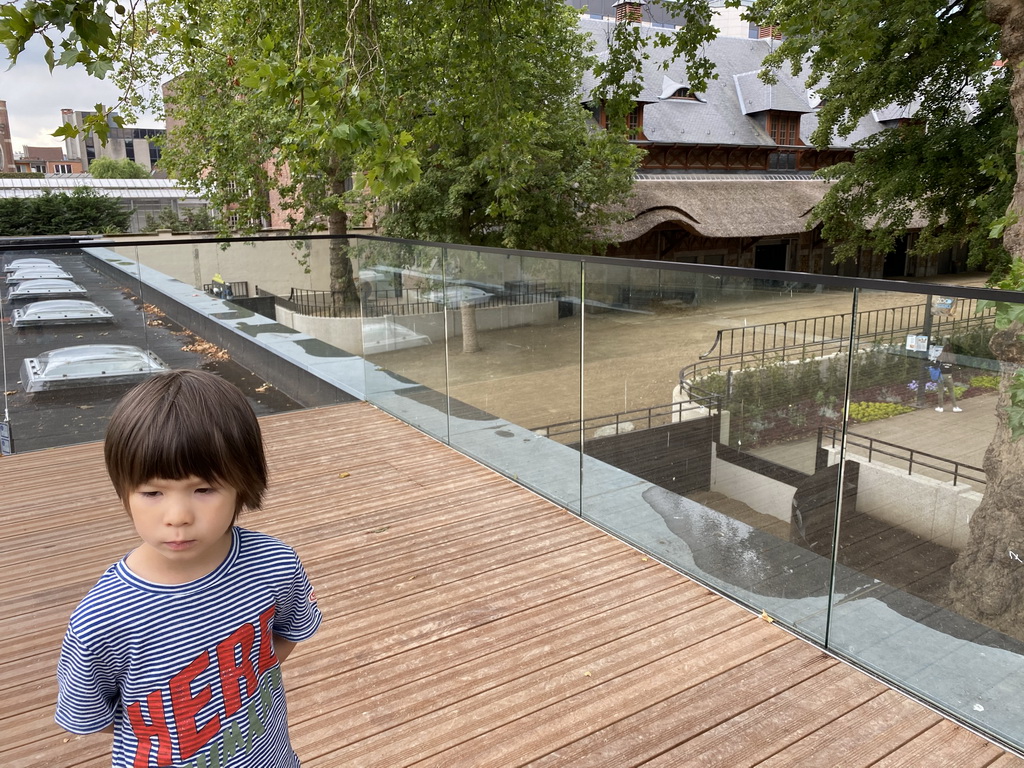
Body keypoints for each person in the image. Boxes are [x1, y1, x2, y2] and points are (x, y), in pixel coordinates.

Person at [55, 369, 322, 768]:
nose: (177, 516)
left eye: (204, 489)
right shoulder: (101, 619)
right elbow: (91, 717)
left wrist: (232, 692)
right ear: (123, 489)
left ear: (244, 483)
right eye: (152, 492)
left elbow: (288, 633)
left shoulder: (275, 564)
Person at [933, 344, 962, 413]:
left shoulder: (940, 356)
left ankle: (940, 407)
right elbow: (955, 364)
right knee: (951, 391)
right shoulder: (953, 356)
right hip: (949, 376)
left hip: (941, 376)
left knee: (940, 392)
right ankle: (955, 407)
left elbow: (936, 366)